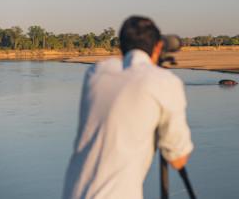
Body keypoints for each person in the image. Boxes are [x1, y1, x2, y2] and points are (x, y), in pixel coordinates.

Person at [63, 16, 193, 199]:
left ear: (121, 46)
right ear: (157, 47)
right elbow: (177, 159)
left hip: (73, 192)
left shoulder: (96, 73)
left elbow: (125, 69)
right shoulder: (164, 82)